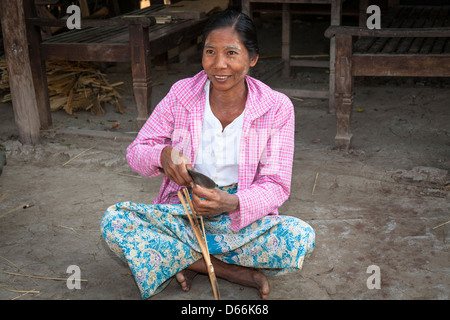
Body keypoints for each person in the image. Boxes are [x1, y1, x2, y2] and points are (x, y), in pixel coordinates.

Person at [101, 9, 315, 300]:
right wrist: (162, 155)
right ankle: (225, 269)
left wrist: (231, 202)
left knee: (299, 239)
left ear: (252, 59)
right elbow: (135, 152)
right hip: (185, 211)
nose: (219, 64)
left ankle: (181, 257)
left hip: (240, 219)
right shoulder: (182, 95)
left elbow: (276, 185)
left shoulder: (276, 107)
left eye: (231, 53)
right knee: (114, 221)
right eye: (210, 52)